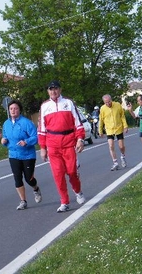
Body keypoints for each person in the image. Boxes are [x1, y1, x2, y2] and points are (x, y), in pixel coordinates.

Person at [37, 80, 86, 213]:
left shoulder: (68, 103)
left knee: (71, 172)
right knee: (58, 174)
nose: (53, 91)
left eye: (56, 89)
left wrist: (80, 139)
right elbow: (41, 129)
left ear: (60, 89)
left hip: (69, 142)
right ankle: (64, 201)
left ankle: (78, 191)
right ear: (48, 91)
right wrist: (43, 148)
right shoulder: (44, 106)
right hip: (52, 144)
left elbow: (78, 123)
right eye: (51, 89)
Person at [1, 99, 42, 210]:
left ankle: (36, 189)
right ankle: (23, 201)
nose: (13, 110)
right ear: (8, 110)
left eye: (15, 108)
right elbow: (5, 137)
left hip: (28, 155)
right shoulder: (6, 123)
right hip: (13, 155)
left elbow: (36, 137)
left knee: (29, 179)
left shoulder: (26, 123)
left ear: (19, 110)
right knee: (17, 178)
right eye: (11, 109)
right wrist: (3, 141)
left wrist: (26, 142)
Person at [99, 94, 128, 171]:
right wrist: (100, 131)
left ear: (111, 100)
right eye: (106, 102)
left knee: (121, 146)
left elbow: (122, 116)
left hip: (118, 128)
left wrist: (125, 126)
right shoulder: (102, 109)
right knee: (111, 145)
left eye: (109, 102)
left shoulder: (117, 105)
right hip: (109, 130)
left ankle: (123, 156)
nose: (108, 104)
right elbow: (101, 120)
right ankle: (115, 163)